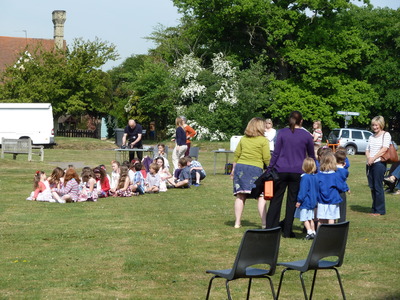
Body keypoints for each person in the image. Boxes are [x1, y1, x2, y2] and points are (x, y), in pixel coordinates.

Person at [265, 111, 315, 238]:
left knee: (276, 200)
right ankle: (287, 231)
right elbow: (311, 155)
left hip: (280, 170)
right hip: (298, 172)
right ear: (301, 121)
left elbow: (275, 153)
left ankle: (271, 228)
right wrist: (316, 170)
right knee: (292, 201)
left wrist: (269, 168)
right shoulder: (306, 136)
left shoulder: (282, 132)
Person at [231, 117, 270, 229]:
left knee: (240, 195)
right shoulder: (263, 141)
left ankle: (237, 222)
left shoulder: (243, 139)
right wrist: (270, 168)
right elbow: (266, 158)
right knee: (261, 196)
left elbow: (237, 155)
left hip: (240, 167)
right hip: (255, 168)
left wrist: (233, 170)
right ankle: (264, 223)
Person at [366, 116, 391, 216]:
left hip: (379, 163)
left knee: (378, 186)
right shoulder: (371, 136)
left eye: (376, 125)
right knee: (372, 186)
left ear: (381, 124)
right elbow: (367, 149)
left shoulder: (386, 134)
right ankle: (375, 207)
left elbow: (384, 149)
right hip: (370, 163)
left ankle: (380, 210)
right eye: (373, 125)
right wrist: (369, 158)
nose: (374, 127)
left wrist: (373, 158)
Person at [316, 153, 347, 225]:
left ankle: (319, 234)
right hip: (333, 200)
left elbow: (316, 186)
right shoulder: (335, 175)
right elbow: (341, 187)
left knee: (321, 219)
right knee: (331, 218)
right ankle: (330, 234)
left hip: (321, 200)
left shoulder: (319, 175)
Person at [294, 158, 318, 240]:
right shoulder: (315, 177)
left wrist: (299, 201)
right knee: (310, 218)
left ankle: (309, 232)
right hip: (313, 201)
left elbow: (303, 191)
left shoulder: (305, 178)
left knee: (304, 218)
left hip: (305, 201)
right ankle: (314, 231)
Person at [335, 150, 350, 223]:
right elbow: (344, 179)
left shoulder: (333, 169)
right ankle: (341, 222)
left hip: (334, 191)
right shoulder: (345, 171)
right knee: (342, 209)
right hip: (341, 191)